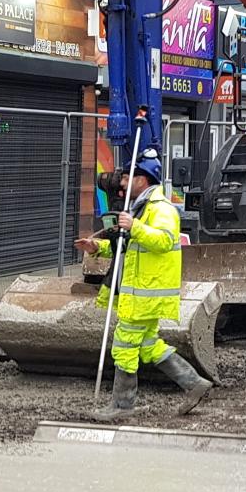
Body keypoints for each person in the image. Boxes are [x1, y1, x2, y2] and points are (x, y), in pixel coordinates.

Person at [73, 154, 212, 421]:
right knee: (148, 344)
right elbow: (127, 247)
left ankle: (122, 406)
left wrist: (134, 226)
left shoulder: (160, 209)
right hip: (140, 291)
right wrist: (97, 247)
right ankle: (194, 383)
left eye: (127, 178)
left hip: (145, 293)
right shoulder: (140, 206)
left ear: (142, 179)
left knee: (124, 346)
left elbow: (163, 240)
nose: (122, 184)